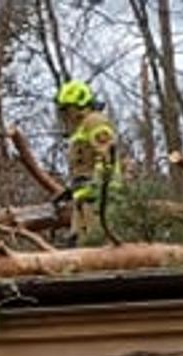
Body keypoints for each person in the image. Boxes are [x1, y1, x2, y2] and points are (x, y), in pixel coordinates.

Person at [53, 80, 118, 243]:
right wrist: (72, 189)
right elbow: (84, 167)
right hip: (84, 200)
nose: (65, 116)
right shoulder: (80, 129)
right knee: (77, 245)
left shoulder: (95, 122)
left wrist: (95, 187)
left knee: (97, 247)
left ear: (78, 106)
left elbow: (105, 157)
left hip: (100, 202)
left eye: (67, 110)